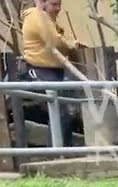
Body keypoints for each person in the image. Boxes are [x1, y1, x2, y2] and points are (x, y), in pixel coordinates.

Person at [20, 0, 86, 147]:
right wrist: (71, 45)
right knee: (60, 110)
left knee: (65, 111)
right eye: (54, 4)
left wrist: (69, 45)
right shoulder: (37, 16)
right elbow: (55, 42)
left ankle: (63, 151)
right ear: (42, 3)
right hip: (38, 70)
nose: (58, 9)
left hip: (54, 72)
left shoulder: (46, 19)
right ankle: (56, 154)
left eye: (59, 5)